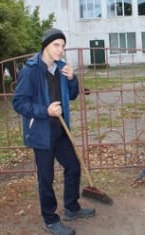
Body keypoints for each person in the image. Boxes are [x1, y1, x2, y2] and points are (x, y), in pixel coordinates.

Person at [12, 28, 95, 235]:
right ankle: (50, 219)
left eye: (63, 46)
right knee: (46, 177)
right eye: (56, 45)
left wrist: (72, 78)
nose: (61, 50)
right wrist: (45, 110)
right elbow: (19, 102)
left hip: (60, 129)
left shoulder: (60, 68)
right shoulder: (31, 70)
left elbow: (73, 95)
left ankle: (71, 207)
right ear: (45, 46)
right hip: (41, 132)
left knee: (73, 166)